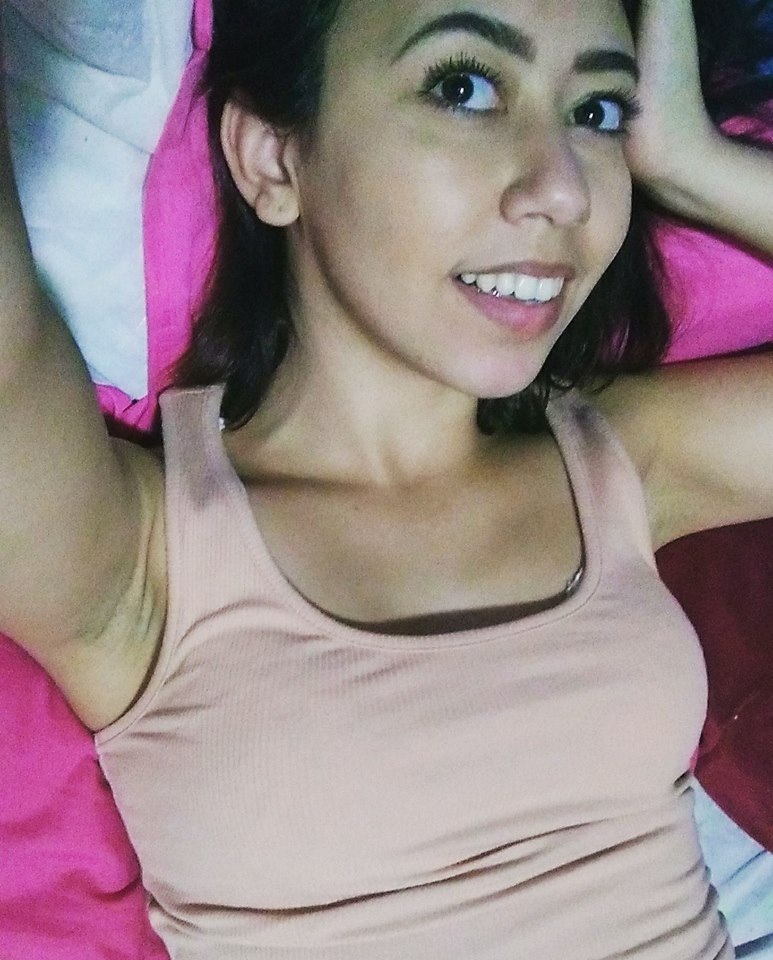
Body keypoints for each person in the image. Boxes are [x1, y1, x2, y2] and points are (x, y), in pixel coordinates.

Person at [0, 0, 771, 957]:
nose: (563, 190)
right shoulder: (142, 556)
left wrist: (690, 159)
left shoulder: (620, 461)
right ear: (272, 160)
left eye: (597, 112)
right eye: (463, 86)